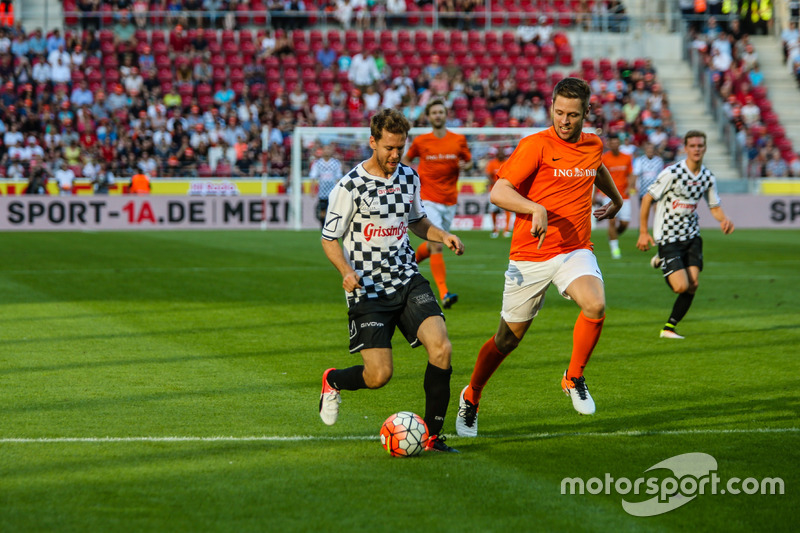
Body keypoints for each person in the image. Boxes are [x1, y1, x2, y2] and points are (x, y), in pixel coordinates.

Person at [454, 78, 624, 438]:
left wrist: (618, 200)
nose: (564, 120)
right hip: (530, 255)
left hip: (574, 248)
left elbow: (596, 169)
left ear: (587, 113)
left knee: (595, 305)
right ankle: (472, 394)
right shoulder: (535, 145)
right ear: (551, 108)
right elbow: (499, 192)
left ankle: (573, 376)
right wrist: (534, 208)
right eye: (559, 112)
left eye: (573, 115)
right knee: (506, 341)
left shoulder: (593, 144)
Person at [319, 108, 465, 453]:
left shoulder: (409, 177)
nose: (395, 155)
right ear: (373, 142)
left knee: (441, 348)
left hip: (406, 278)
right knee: (379, 376)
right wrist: (346, 272)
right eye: (389, 148)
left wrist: (442, 236)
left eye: (400, 147)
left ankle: (431, 436)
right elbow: (329, 238)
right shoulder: (350, 186)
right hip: (367, 288)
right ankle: (333, 380)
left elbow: (416, 221)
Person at [636, 130, 735, 339]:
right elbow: (647, 199)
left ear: (705, 148)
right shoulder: (672, 173)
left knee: (693, 285)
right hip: (668, 237)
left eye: (700, 146)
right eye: (693, 146)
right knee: (680, 286)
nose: (697, 149)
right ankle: (662, 259)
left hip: (692, 236)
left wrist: (723, 219)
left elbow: (714, 206)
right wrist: (643, 232)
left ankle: (669, 328)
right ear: (685, 148)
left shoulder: (707, 177)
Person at [401, 98, 473, 309]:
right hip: (427, 199)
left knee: (437, 243)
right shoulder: (422, 141)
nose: (438, 115)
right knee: (437, 244)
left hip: (449, 200)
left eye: (441, 112)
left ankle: (405, 265)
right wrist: (409, 180)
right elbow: (406, 160)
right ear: (429, 117)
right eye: (434, 113)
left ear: (445, 114)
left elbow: (468, 162)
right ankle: (444, 293)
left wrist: (466, 166)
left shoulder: (458, 140)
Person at [598, 133, 634, 259]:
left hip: (624, 195)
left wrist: (630, 187)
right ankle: (615, 249)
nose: (614, 144)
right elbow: (599, 176)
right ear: (608, 144)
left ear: (619, 143)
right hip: (608, 194)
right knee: (612, 221)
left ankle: (613, 237)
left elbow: (630, 174)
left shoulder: (627, 157)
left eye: (616, 142)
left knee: (624, 223)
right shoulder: (604, 158)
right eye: (611, 142)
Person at [310, 143, 343, 226]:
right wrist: (312, 190)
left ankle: (331, 231)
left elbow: (339, 178)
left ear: (331, 151)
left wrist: (340, 191)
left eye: (329, 149)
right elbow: (313, 177)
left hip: (333, 192)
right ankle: (323, 231)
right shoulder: (318, 163)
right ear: (322, 151)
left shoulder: (336, 163)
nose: (327, 151)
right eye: (325, 149)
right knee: (322, 212)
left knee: (332, 212)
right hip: (322, 192)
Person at [485, 146, 513, 238]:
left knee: (507, 209)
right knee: (493, 210)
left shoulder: (508, 162)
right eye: (499, 153)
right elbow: (489, 175)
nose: (501, 154)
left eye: (502, 152)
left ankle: (507, 229)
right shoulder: (492, 163)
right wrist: (497, 184)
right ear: (496, 154)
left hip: (506, 190)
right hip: (493, 190)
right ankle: (495, 229)